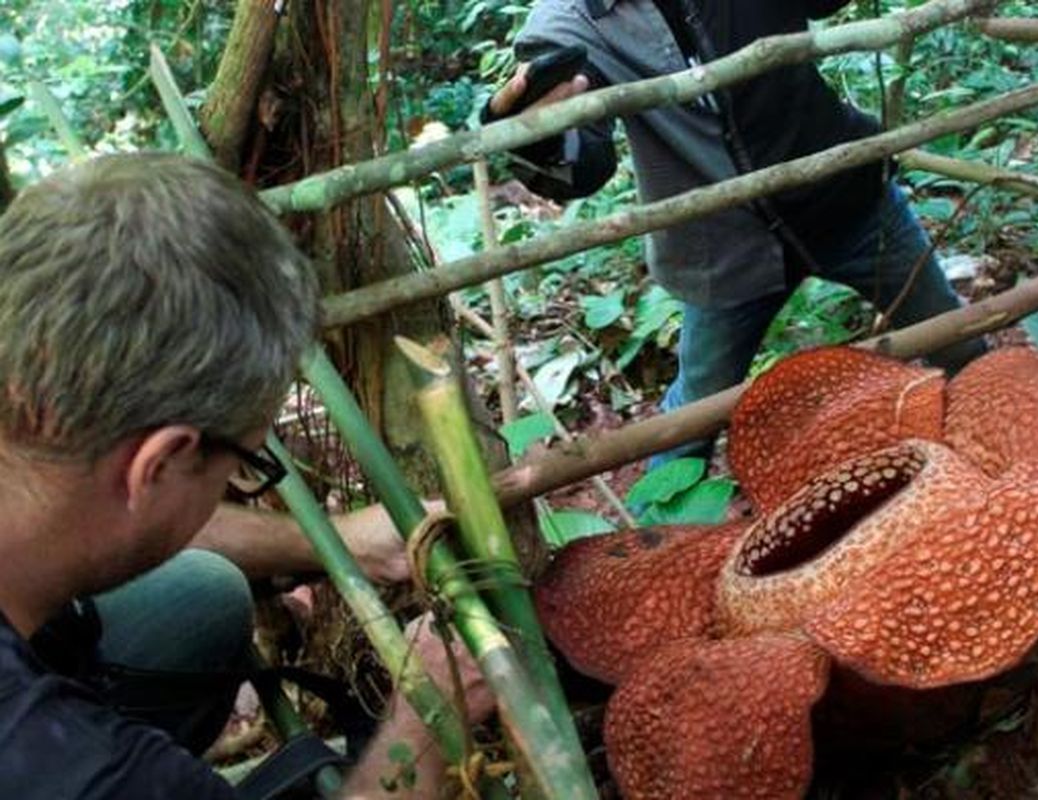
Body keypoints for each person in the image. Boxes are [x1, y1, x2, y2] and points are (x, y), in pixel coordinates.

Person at [0, 153, 491, 799]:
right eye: (248, 461)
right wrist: (428, 723)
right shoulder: (74, 767)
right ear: (160, 463)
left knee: (196, 596)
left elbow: (96, 514)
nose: (242, 478)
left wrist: (336, 540)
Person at [487, 0, 987, 463]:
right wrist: (534, 137)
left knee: (960, 345)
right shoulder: (566, 26)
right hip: (722, 247)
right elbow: (582, 163)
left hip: (845, 199)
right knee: (688, 427)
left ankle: (1004, 458)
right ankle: (654, 546)